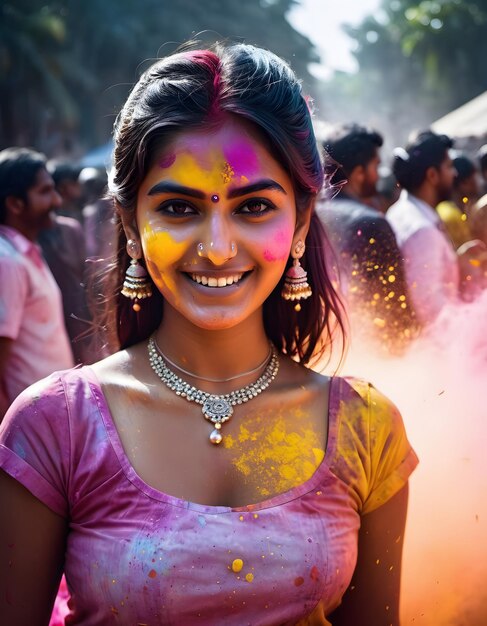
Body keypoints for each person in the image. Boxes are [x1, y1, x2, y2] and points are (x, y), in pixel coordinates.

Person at [0, 43, 418, 625]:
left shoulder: (366, 430)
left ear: (299, 221)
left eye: (252, 208)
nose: (217, 249)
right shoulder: (55, 427)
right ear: (129, 222)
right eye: (177, 208)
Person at [317, 123, 417, 352]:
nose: (378, 175)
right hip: (376, 352)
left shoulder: (309, 217)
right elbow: (396, 308)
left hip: (327, 349)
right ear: (359, 173)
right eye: (375, 166)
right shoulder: (371, 223)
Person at [0, 148, 74, 419]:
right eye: (45, 191)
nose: (57, 200)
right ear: (15, 204)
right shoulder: (7, 261)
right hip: (29, 427)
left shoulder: (26, 252)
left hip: (47, 419)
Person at [387, 131, 458, 325]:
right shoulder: (422, 230)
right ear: (432, 175)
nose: (455, 173)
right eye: (449, 166)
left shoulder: (400, 210)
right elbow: (432, 310)